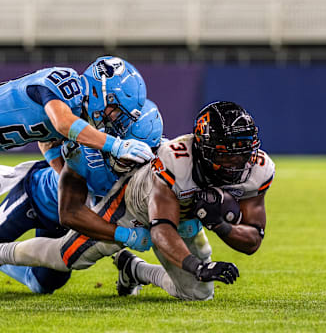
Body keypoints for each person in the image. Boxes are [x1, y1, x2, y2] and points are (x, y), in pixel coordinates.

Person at [0, 101, 275, 301]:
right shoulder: (174, 161)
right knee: (66, 257)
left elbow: (253, 239)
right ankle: (3, 253)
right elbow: (161, 229)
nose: (238, 163)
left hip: (185, 214)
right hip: (134, 204)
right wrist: (195, 265)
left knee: (197, 292)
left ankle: (134, 269)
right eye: (227, 155)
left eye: (243, 153)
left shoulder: (258, 169)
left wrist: (221, 225)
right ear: (204, 149)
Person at [0, 99, 163, 294]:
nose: (131, 160)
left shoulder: (154, 163)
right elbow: (70, 213)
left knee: (41, 285)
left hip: (69, 223)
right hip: (38, 199)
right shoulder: (86, 148)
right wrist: (127, 236)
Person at [0, 56, 154, 166]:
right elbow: (63, 123)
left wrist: (62, 178)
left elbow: (48, 140)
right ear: (101, 91)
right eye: (116, 110)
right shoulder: (67, 81)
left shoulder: (76, 112)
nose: (114, 118)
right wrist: (117, 145)